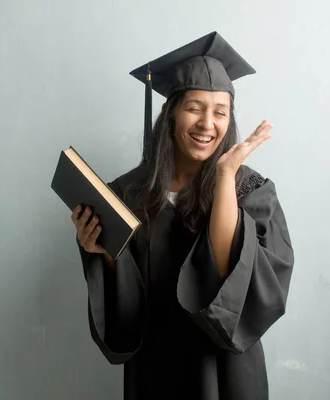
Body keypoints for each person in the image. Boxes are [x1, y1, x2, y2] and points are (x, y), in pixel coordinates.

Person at [70, 31, 295, 400]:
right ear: (171, 112)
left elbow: (228, 281)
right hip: (156, 368)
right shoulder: (127, 194)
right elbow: (124, 302)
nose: (207, 123)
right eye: (194, 108)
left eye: (220, 112)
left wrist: (224, 177)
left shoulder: (251, 193)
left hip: (225, 373)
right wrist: (101, 250)